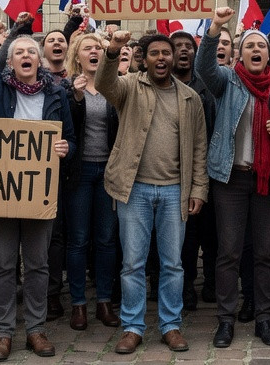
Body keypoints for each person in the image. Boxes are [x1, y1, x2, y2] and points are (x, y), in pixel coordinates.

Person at [0, 22, 74, 360]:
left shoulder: (57, 94)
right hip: (1, 191)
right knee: (3, 265)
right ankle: (3, 332)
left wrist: (66, 148)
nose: (26, 56)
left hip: (39, 192)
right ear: (10, 62)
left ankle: (36, 329)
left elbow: (70, 138)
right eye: (19, 52)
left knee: (38, 265)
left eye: (31, 52)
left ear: (39, 61)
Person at [94, 30, 208, 355]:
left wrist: (198, 188)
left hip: (175, 191)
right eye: (154, 53)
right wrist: (113, 51)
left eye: (166, 53)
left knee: (173, 264)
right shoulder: (130, 86)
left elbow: (199, 147)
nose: (161, 58)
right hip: (134, 189)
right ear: (144, 60)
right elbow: (104, 83)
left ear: (173, 59)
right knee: (133, 264)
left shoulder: (190, 98)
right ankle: (132, 327)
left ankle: (171, 325)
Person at [196, 7, 270, 348]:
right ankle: (225, 320)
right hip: (231, 179)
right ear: (239, 53)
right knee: (229, 252)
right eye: (249, 45)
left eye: (261, 46)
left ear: (269, 54)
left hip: (268, 180)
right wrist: (215, 28)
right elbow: (203, 68)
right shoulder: (227, 81)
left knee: (266, 253)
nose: (256, 50)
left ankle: (265, 318)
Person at [62, 33, 120, 330]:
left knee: (106, 239)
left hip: (108, 171)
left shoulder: (114, 86)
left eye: (98, 47)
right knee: (78, 239)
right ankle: (78, 304)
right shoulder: (67, 87)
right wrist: (75, 98)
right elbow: (65, 127)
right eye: (88, 48)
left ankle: (104, 302)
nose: (94, 51)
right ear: (78, 56)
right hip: (80, 172)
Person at [171, 31, 219, 310]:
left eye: (188, 46)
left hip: (207, 167)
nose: (183, 51)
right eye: (177, 46)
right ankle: (186, 285)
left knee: (211, 233)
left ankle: (211, 282)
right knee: (185, 237)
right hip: (174, 171)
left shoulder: (207, 86)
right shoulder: (162, 85)